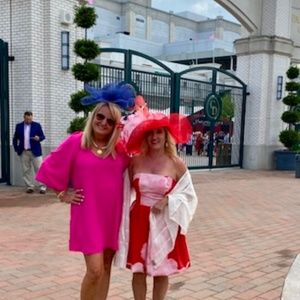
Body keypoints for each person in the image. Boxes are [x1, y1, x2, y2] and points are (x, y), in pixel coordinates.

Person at [36, 82, 135, 300]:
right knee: (95, 270)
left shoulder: (119, 150)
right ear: (93, 116)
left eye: (110, 121)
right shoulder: (76, 142)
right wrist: (61, 193)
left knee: (106, 267)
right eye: (100, 117)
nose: (103, 123)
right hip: (87, 215)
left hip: (112, 216)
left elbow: (138, 166)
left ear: (115, 125)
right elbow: (47, 168)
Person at [115, 108, 198, 300]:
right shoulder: (134, 162)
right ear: (144, 136)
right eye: (150, 133)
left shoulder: (176, 164)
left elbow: (189, 195)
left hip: (165, 220)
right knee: (138, 270)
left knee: (162, 271)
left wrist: (168, 199)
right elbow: (122, 190)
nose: (154, 137)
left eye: (159, 132)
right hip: (139, 221)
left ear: (165, 135)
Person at [13, 111, 47, 193]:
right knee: (26, 170)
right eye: (27, 119)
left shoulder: (37, 125)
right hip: (24, 152)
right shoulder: (19, 126)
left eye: (30, 119)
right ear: (24, 118)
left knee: (39, 169)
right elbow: (15, 138)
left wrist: (38, 138)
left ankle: (42, 187)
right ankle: (30, 186)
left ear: (32, 117)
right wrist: (16, 149)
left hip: (35, 151)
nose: (29, 121)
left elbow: (43, 136)